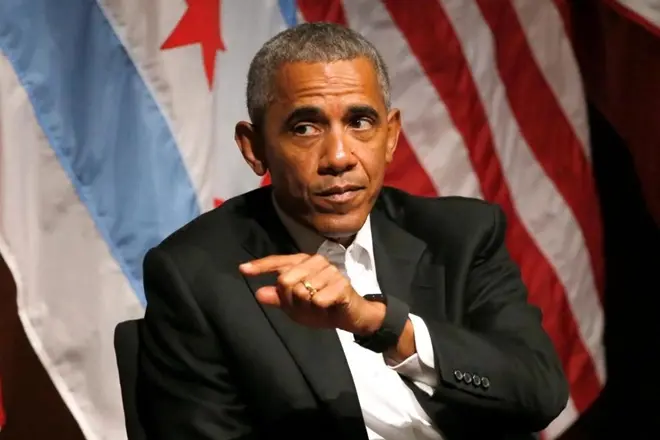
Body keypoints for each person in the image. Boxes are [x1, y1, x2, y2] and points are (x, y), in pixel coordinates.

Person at [136, 22, 568, 440]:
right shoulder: (195, 276)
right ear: (255, 147)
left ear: (391, 136)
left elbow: (539, 391)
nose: (339, 157)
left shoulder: (461, 235)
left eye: (360, 122)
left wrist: (380, 323)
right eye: (305, 128)